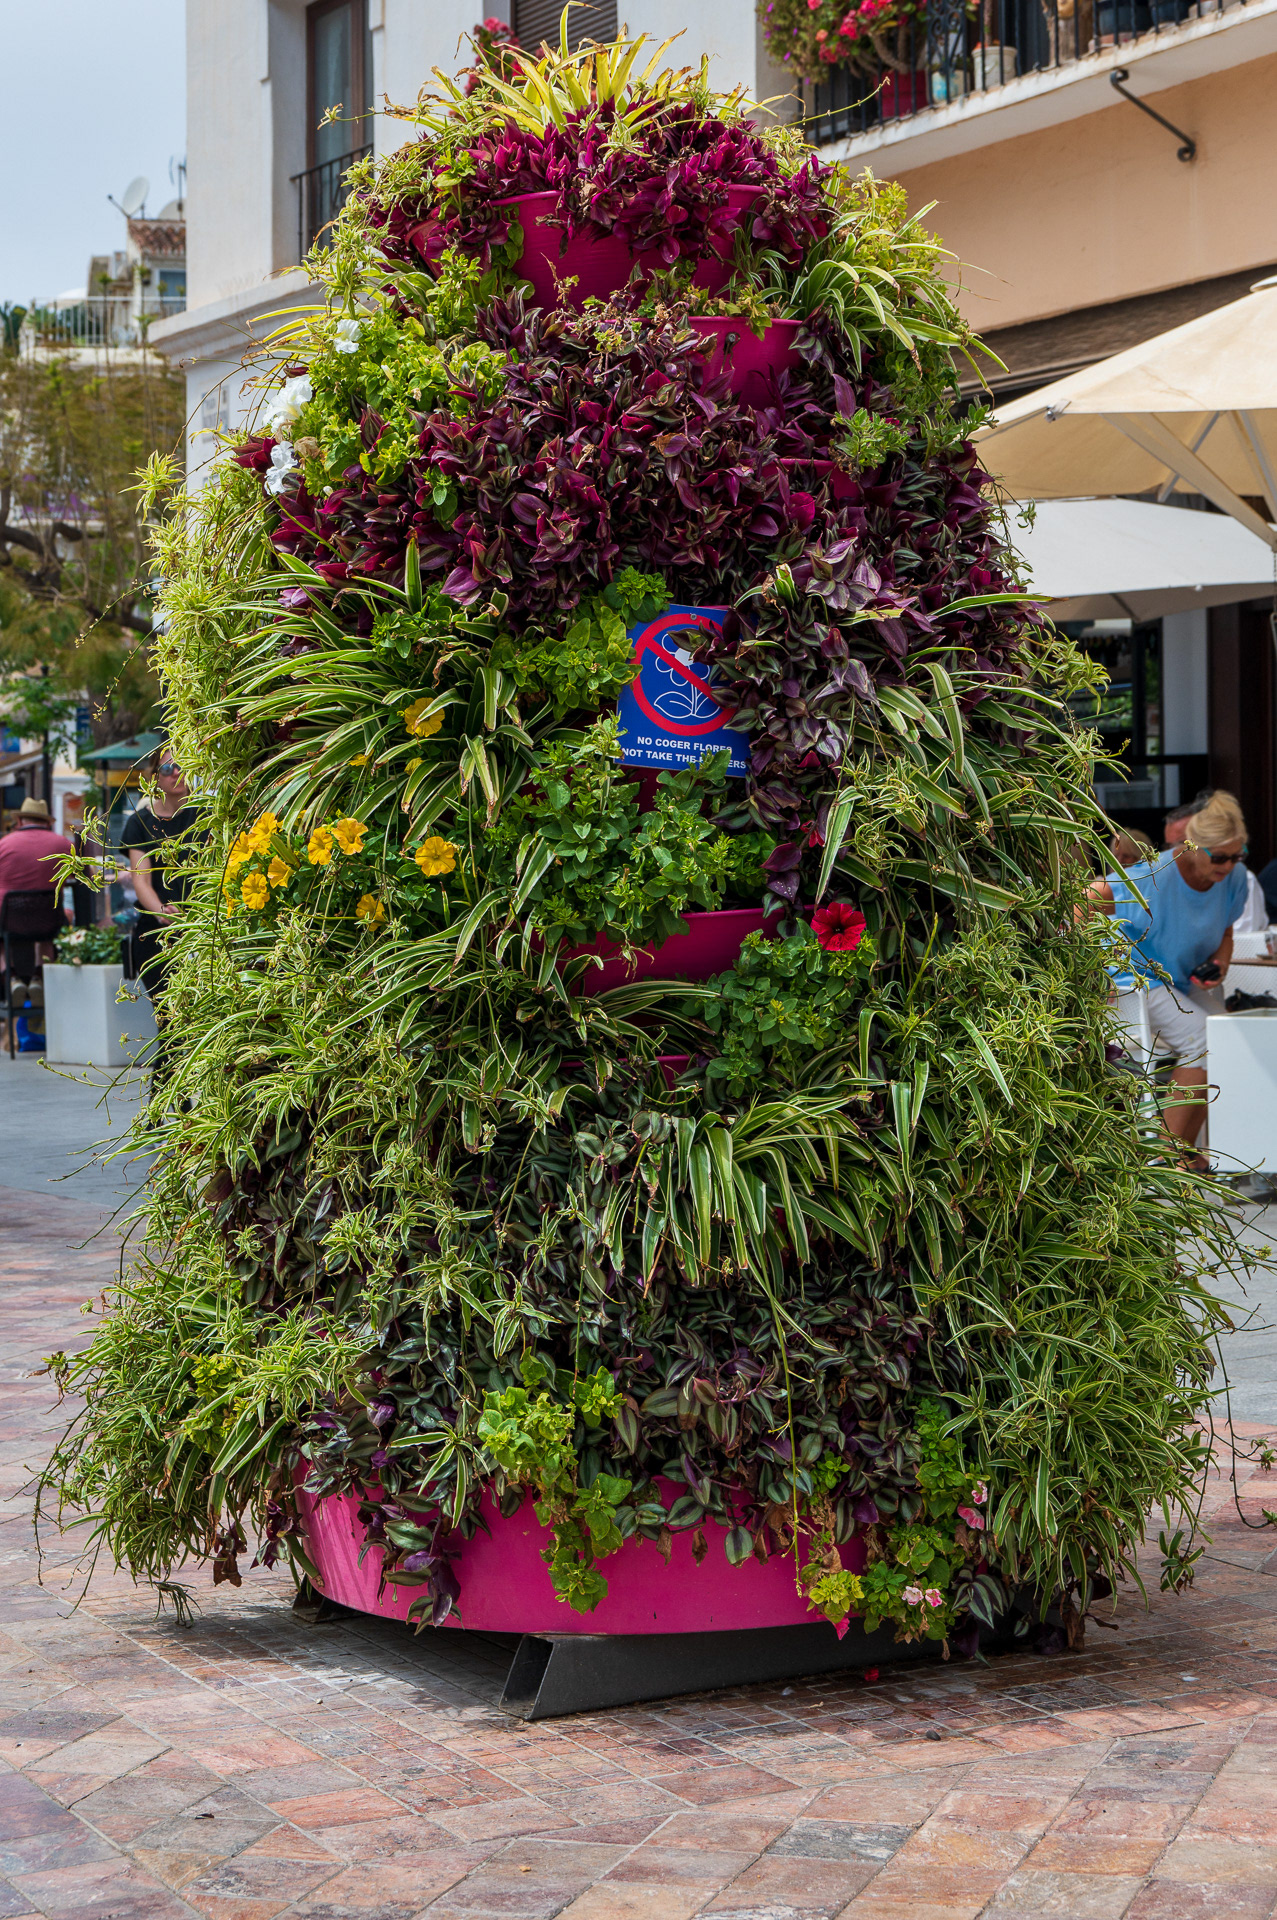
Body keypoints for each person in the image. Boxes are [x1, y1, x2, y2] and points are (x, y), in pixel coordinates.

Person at [1089, 789, 1249, 1163]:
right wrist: (1092, 969)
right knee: (1204, 1040)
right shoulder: (1151, 877)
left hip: (1179, 980)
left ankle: (1184, 1152)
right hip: (1137, 979)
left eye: (1237, 856)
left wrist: (1220, 965)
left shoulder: (1235, 878)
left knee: (1229, 1039)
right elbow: (1085, 899)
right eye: (1220, 856)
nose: (1228, 866)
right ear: (1192, 846)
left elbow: (1225, 931)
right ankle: (1164, 1158)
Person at [120, 746, 199, 998]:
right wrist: (162, 912)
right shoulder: (140, 822)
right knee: (168, 1014)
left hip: (204, 925)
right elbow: (141, 880)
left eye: (182, 766)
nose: (176, 773)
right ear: (155, 777)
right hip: (159, 930)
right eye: (167, 768)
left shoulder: (207, 816)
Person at [0, 796, 73, 1000]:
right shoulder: (63, 844)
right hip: (48, 918)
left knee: (2, 939)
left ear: (21, 821)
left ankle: (11, 976)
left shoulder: (4, 844)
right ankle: (38, 977)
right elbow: (88, 876)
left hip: (8, 920)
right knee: (46, 936)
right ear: (48, 822)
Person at [1166, 790, 1268, 933]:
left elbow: (1241, 937)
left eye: (1184, 844)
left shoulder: (1241, 878)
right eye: (1170, 847)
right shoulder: (1159, 878)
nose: (1177, 852)